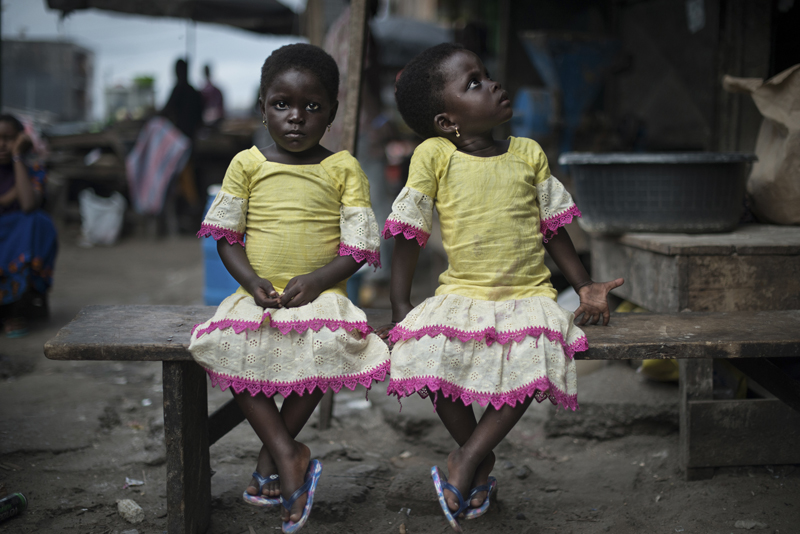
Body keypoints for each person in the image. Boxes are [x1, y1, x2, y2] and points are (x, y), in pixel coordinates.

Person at [379, 44, 624, 531]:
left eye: (486, 75)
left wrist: (585, 286)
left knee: (536, 359)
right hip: (462, 293)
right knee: (427, 355)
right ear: (448, 122)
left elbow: (552, 229)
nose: (492, 84)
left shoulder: (528, 153)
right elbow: (409, 229)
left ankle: (467, 458)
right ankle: (479, 458)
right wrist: (401, 303)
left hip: (527, 296)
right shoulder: (434, 155)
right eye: (473, 82)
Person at [188, 44, 389, 533]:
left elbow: (359, 248)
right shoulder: (246, 165)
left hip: (321, 296)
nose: (296, 117)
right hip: (257, 295)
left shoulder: (343, 168)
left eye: (312, 107)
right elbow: (227, 238)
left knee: (329, 350)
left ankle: (275, 455)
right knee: (225, 347)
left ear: (332, 114)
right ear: (262, 108)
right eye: (282, 105)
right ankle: (286, 451)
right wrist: (251, 281)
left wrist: (318, 280)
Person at [0, 114, 58, 337]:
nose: (2, 145)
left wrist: (17, 158)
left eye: (9, 138)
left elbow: (27, 204)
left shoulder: (31, 169)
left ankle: (15, 310)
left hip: (16, 236)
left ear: (20, 140)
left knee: (36, 222)